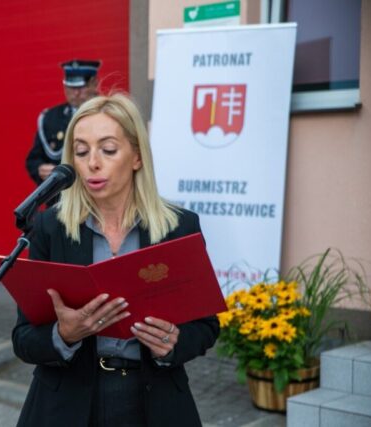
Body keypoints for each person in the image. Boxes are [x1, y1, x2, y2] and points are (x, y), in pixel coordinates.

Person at [12, 93, 219, 427]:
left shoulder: (179, 226)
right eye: (81, 152)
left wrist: (173, 343)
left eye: (108, 150)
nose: (93, 163)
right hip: (67, 404)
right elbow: (23, 339)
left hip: (154, 402)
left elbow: (206, 327)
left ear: (136, 156)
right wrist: (63, 334)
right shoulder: (50, 227)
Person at [25, 59, 101, 187]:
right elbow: (33, 159)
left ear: (94, 83)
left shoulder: (108, 114)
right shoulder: (50, 117)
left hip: (95, 190)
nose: (76, 93)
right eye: (71, 87)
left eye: (81, 87)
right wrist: (40, 168)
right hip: (61, 193)